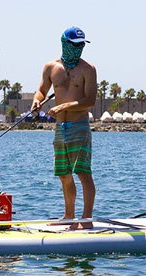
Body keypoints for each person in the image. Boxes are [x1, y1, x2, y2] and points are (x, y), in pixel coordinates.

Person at [32, 26, 98, 230]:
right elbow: (41, 91)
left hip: (79, 125)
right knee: (63, 173)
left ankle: (86, 219)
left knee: (82, 172)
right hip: (60, 127)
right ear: (65, 44)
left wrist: (65, 105)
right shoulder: (50, 67)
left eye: (81, 45)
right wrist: (36, 100)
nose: (78, 49)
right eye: (75, 45)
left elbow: (90, 101)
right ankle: (69, 215)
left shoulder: (88, 69)